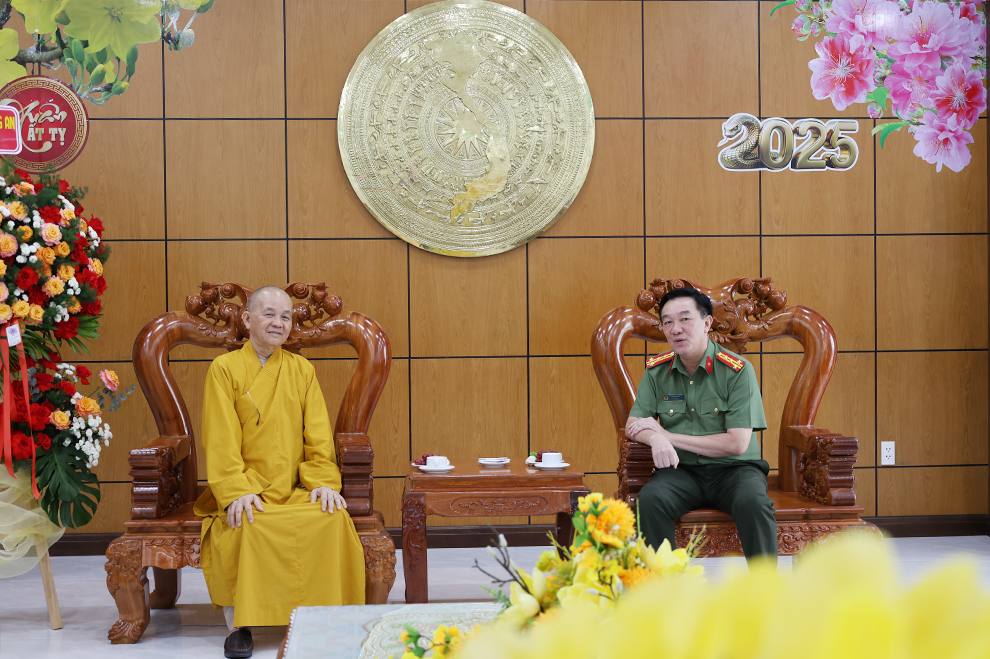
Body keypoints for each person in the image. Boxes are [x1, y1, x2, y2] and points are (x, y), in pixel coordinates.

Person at [193, 286, 365, 658]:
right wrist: (236, 490)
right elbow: (219, 439)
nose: (278, 323)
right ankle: (240, 624)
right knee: (246, 523)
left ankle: (327, 618)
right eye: (269, 314)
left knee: (332, 518)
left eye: (285, 316)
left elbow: (318, 435)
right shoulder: (224, 369)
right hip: (247, 487)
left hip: (294, 488)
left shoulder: (302, 370)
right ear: (247, 319)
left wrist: (323, 481)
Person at [625, 287, 777, 563]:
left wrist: (667, 435)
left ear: (707, 323)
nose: (675, 329)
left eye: (685, 319)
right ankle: (666, 584)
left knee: (754, 503)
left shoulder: (738, 371)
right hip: (681, 471)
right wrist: (656, 439)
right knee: (649, 501)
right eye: (667, 322)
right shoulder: (657, 371)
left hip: (735, 470)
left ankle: (764, 586)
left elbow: (737, 444)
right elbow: (634, 423)